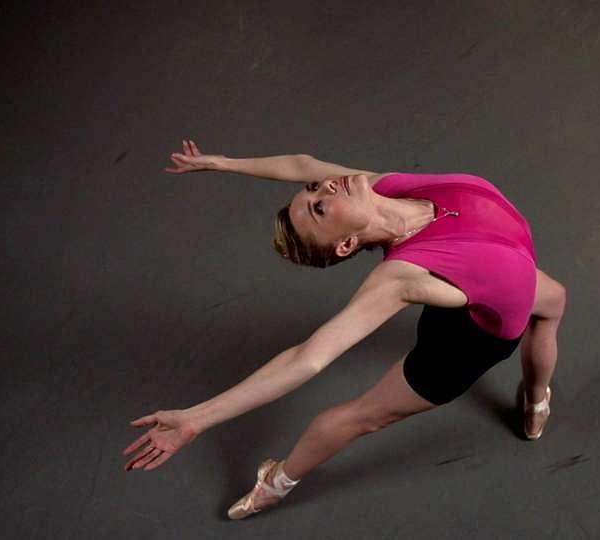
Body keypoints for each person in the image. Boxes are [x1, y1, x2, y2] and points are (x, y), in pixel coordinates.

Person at [122, 140, 568, 520]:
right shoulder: (400, 278)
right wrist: (196, 419)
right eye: (319, 207)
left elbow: (303, 164)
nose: (326, 186)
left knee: (555, 302)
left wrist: (222, 163)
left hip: (500, 282)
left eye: (314, 191)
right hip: (466, 345)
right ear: (348, 243)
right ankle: (277, 482)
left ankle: (535, 398)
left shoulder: (384, 187)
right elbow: (307, 358)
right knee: (360, 417)